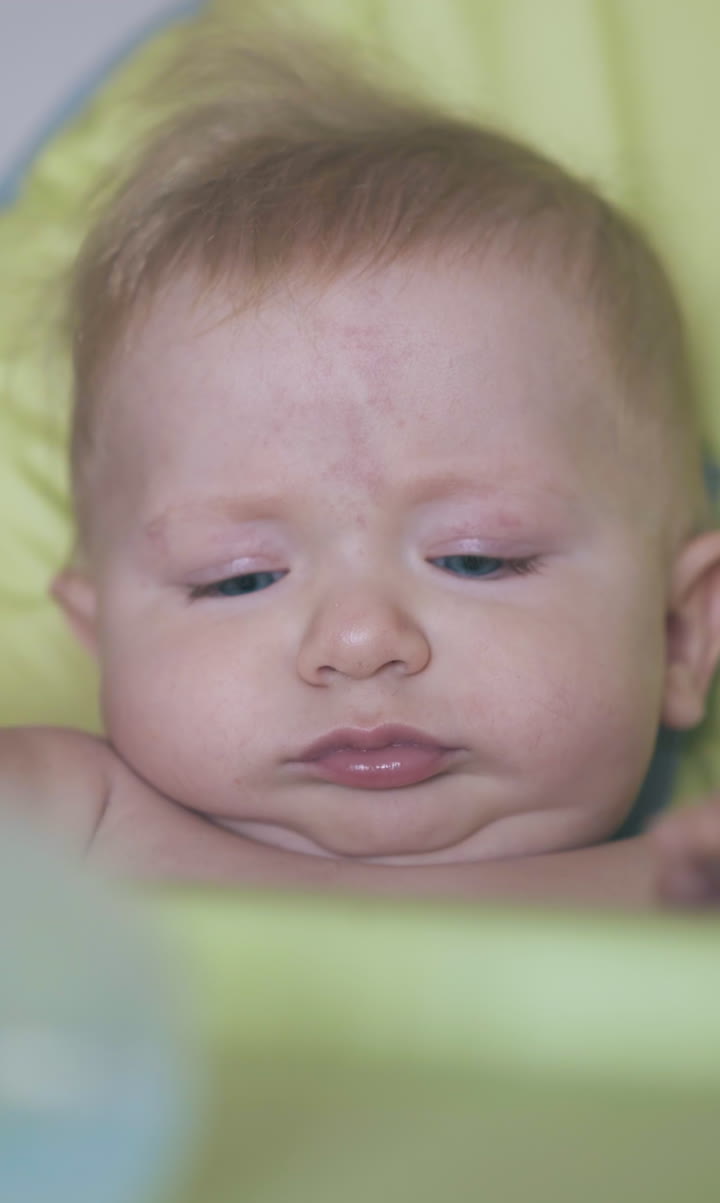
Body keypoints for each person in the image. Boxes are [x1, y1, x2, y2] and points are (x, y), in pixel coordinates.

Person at [2, 26, 720, 910]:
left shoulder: (689, 881)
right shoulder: (80, 827)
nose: (358, 641)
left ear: (683, 635)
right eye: (240, 578)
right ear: (103, 635)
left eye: (476, 557)